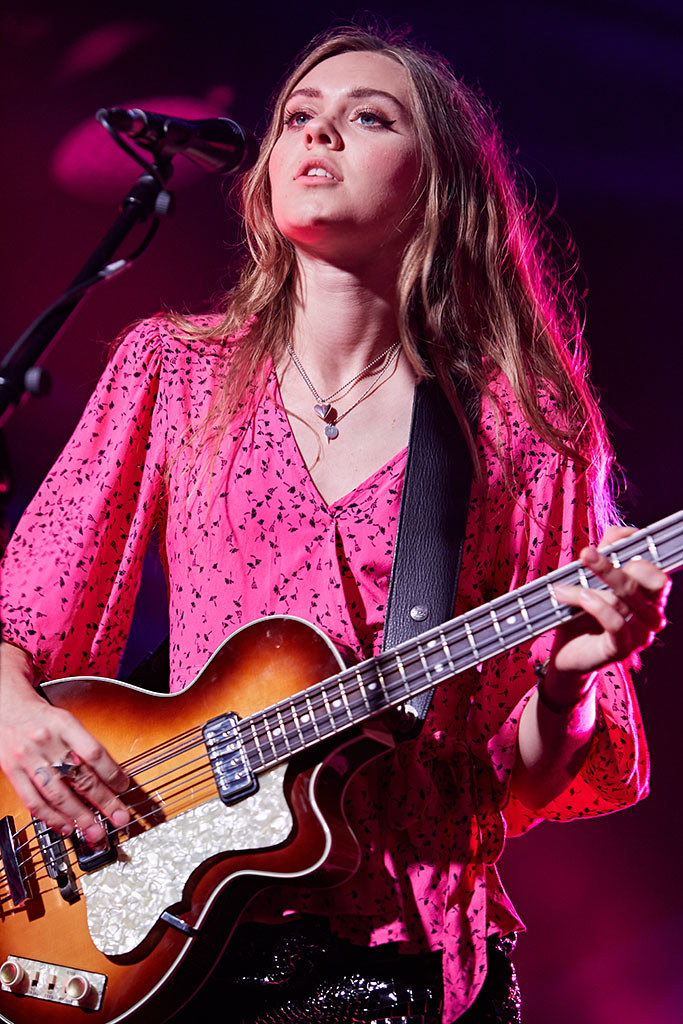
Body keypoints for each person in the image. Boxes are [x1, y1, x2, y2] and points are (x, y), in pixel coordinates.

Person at [0, 24, 671, 1024]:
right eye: (298, 118)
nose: (320, 134)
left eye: (367, 117)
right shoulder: (171, 372)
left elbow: (515, 793)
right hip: (167, 930)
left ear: (436, 182)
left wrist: (573, 675)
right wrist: (17, 719)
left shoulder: (523, 427)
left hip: (396, 954)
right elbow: (27, 625)